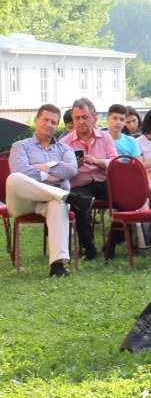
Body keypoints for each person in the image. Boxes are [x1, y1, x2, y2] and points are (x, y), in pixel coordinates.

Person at [6, 104, 93, 276]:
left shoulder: (64, 148)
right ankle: (67, 196)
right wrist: (51, 175)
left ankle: (57, 266)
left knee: (58, 204)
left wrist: (39, 168)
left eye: (54, 122)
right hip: (24, 201)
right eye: (45, 119)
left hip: (49, 201)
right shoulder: (20, 146)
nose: (49, 124)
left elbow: (70, 170)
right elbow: (21, 171)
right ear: (37, 120)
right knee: (14, 178)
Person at [60, 97, 117, 260]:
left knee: (125, 200)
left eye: (85, 117)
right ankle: (88, 247)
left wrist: (99, 162)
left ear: (94, 117)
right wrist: (73, 166)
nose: (81, 121)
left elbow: (115, 160)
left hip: (102, 181)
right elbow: (59, 170)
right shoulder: (65, 142)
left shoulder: (105, 138)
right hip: (79, 183)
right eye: (77, 118)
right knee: (79, 202)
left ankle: (112, 242)